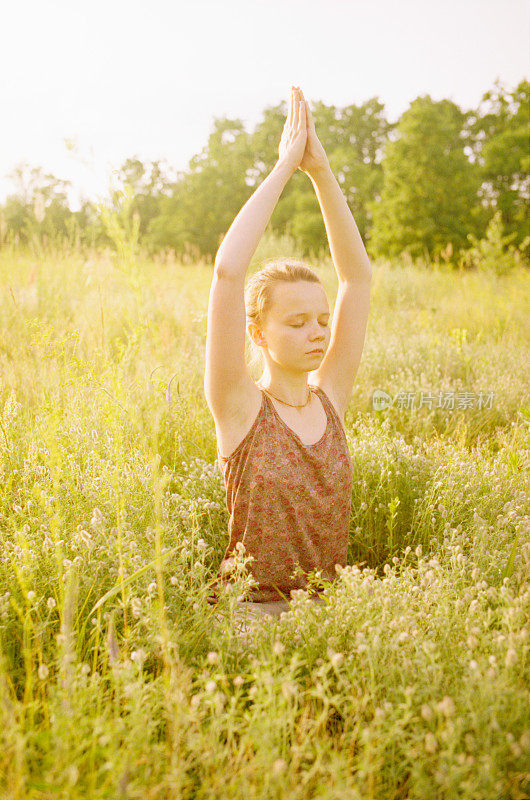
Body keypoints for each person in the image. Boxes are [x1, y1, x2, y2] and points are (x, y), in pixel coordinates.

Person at [203, 86, 372, 639]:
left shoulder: (331, 398)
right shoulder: (239, 406)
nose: (317, 332)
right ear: (258, 331)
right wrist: (282, 169)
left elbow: (357, 279)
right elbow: (228, 273)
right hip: (253, 621)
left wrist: (320, 172)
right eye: (296, 323)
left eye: (321, 320)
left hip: (332, 617)